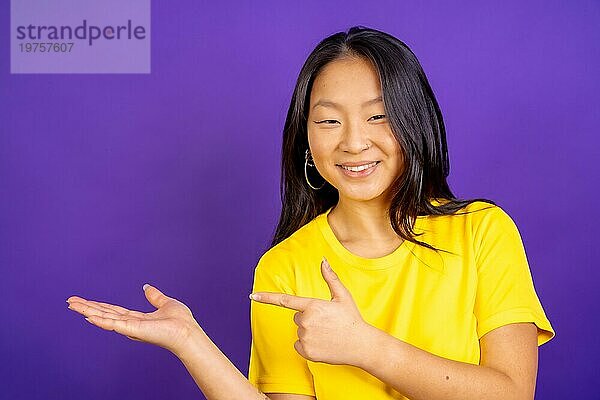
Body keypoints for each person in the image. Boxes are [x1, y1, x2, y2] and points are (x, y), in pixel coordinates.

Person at [67, 26, 555, 400]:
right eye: (328, 120)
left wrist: (366, 348)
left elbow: (512, 391)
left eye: (378, 115)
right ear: (307, 139)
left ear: (414, 121)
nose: (353, 141)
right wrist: (190, 342)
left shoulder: (483, 231)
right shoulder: (284, 267)